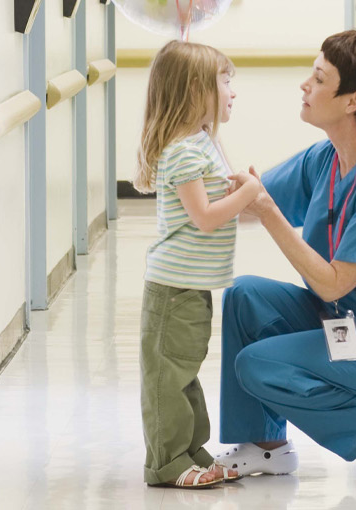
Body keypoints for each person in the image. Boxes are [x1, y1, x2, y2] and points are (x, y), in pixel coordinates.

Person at [213, 30, 356, 481]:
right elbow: (249, 198)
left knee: (259, 365)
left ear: (351, 101)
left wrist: (265, 210)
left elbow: (332, 282)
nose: (305, 85)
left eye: (319, 79)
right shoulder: (327, 157)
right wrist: (195, 148)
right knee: (244, 296)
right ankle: (266, 447)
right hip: (343, 322)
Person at [132, 40, 262, 490]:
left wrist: (247, 199)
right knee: (168, 379)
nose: (232, 91)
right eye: (224, 80)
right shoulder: (183, 151)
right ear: (194, 90)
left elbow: (220, 206)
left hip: (193, 286)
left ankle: (190, 451)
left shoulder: (203, 143)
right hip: (172, 289)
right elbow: (205, 218)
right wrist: (250, 192)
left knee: (184, 374)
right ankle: (167, 462)